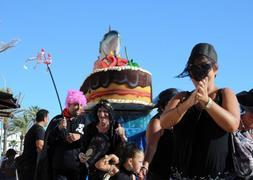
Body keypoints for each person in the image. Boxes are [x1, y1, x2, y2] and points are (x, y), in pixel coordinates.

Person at [160, 43, 240, 179]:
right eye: (194, 68)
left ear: (215, 69)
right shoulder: (182, 97)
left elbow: (232, 125)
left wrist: (207, 102)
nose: (199, 73)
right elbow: (164, 123)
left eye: (204, 67)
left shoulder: (225, 94)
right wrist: (188, 103)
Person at [79, 99, 127, 180]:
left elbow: (123, 149)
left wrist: (122, 136)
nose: (101, 114)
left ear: (110, 113)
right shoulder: (90, 128)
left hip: (109, 170)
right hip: (93, 171)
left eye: (105, 111)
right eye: (99, 111)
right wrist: (81, 155)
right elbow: (83, 147)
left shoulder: (116, 126)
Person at [46, 89, 87, 180]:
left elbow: (91, 138)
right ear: (69, 104)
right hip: (59, 169)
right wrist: (58, 129)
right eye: (76, 104)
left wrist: (80, 136)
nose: (79, 107)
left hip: (78, 169)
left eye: (81, 105)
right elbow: (49, 141)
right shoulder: (57, 120)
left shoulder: (85, 120)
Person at [139, 88, 179, 180]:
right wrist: (145, 166)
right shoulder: (157, 122)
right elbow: (151, 146)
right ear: (163, 106)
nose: (176, 105)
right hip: (159, 173)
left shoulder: (178, 120)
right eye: (172, 103)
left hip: (174, 171)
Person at [17, 109, 49, 180]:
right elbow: (40, 146)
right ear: (44, 118)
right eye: (48, 118)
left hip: (27, 165)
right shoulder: (39, 129)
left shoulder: (33, 128)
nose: (48, 120)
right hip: (31, 166)